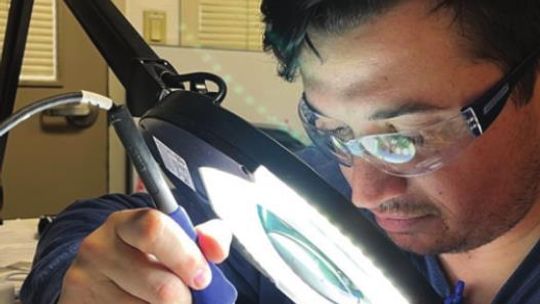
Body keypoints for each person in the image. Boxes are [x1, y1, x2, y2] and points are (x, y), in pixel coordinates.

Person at [21, 0, 540, 303]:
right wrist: (88, 273)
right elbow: (97, 219)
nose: (364, 193)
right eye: (331, 129)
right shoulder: (315, 195)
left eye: (407, 137)